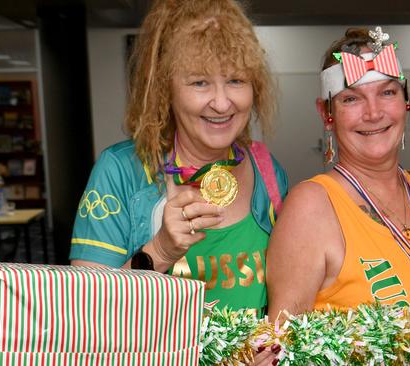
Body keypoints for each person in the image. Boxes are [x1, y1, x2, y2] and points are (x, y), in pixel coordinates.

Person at [70, 0, 287, 320]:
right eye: (200, 82)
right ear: (164, 88)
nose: (222, 102)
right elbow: (83, 311)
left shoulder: (266, 168)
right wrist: (160, 252)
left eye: (236, 80)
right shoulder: (120, 171)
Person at [266, 27, 410, 318]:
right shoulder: (311, 206)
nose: (373, 113)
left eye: (387, 92)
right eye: (351, 98)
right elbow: (282, 344)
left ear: (406, 102)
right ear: (327, 114)